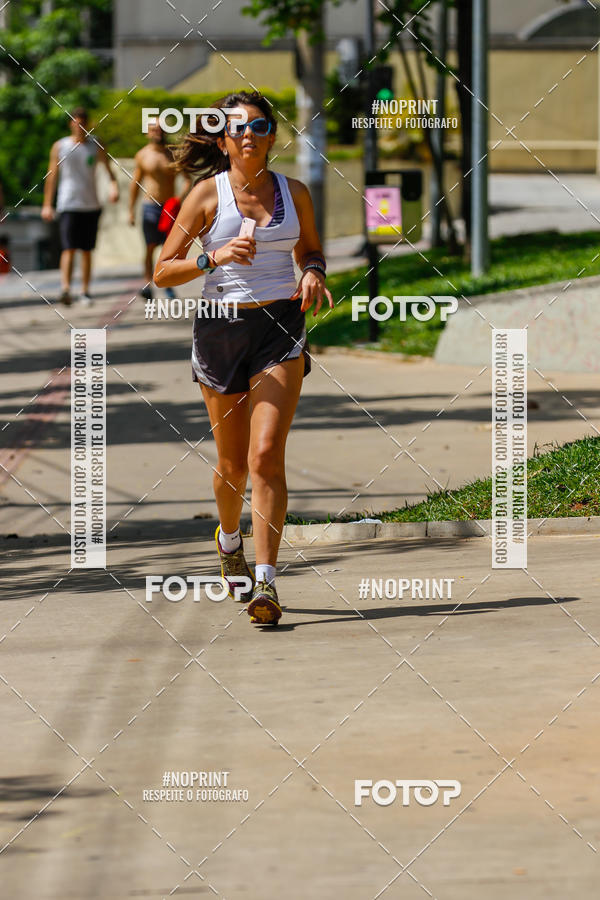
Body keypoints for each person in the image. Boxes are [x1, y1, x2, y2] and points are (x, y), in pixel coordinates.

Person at [154, 90, 333, 626]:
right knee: (231, 467)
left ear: (272, 135)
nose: (249, 134)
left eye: (259, 125)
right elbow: (163, 270)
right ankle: (229, 539)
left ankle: (267, 585)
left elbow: (312, 250)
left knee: (265, 457)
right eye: (238, 128)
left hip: (279, 329)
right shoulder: (207, 196)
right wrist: (213, 255)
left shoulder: (295, 192)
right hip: (220, 332)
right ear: (222, 139)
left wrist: (313, 271)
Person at [42, 107, 119, 305]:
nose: (80, 127)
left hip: (91, 204)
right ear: (71, 124)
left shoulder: (96, 144)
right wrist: (47, 204)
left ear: (88, 124)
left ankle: (85, 291)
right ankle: (65, 289)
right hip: (68, 203)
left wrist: (113, 186)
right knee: (69, 248)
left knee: (86, 250)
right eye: (76, 123)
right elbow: (52, 176)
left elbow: (107, 168)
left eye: (83, 123)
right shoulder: (60, 146)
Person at [129, 120, 191, 299]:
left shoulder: (173, 154)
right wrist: (131, 211)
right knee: (149, 247)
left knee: (170, 249)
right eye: (153, 129)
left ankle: (169, 284)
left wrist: (178, 200)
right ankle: (147, 283)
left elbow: (188, 179)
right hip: (149, 206)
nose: (157, 132)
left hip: (169, 208)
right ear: (148, 133)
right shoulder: (142, 155)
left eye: (160, 130)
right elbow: (135, 183)